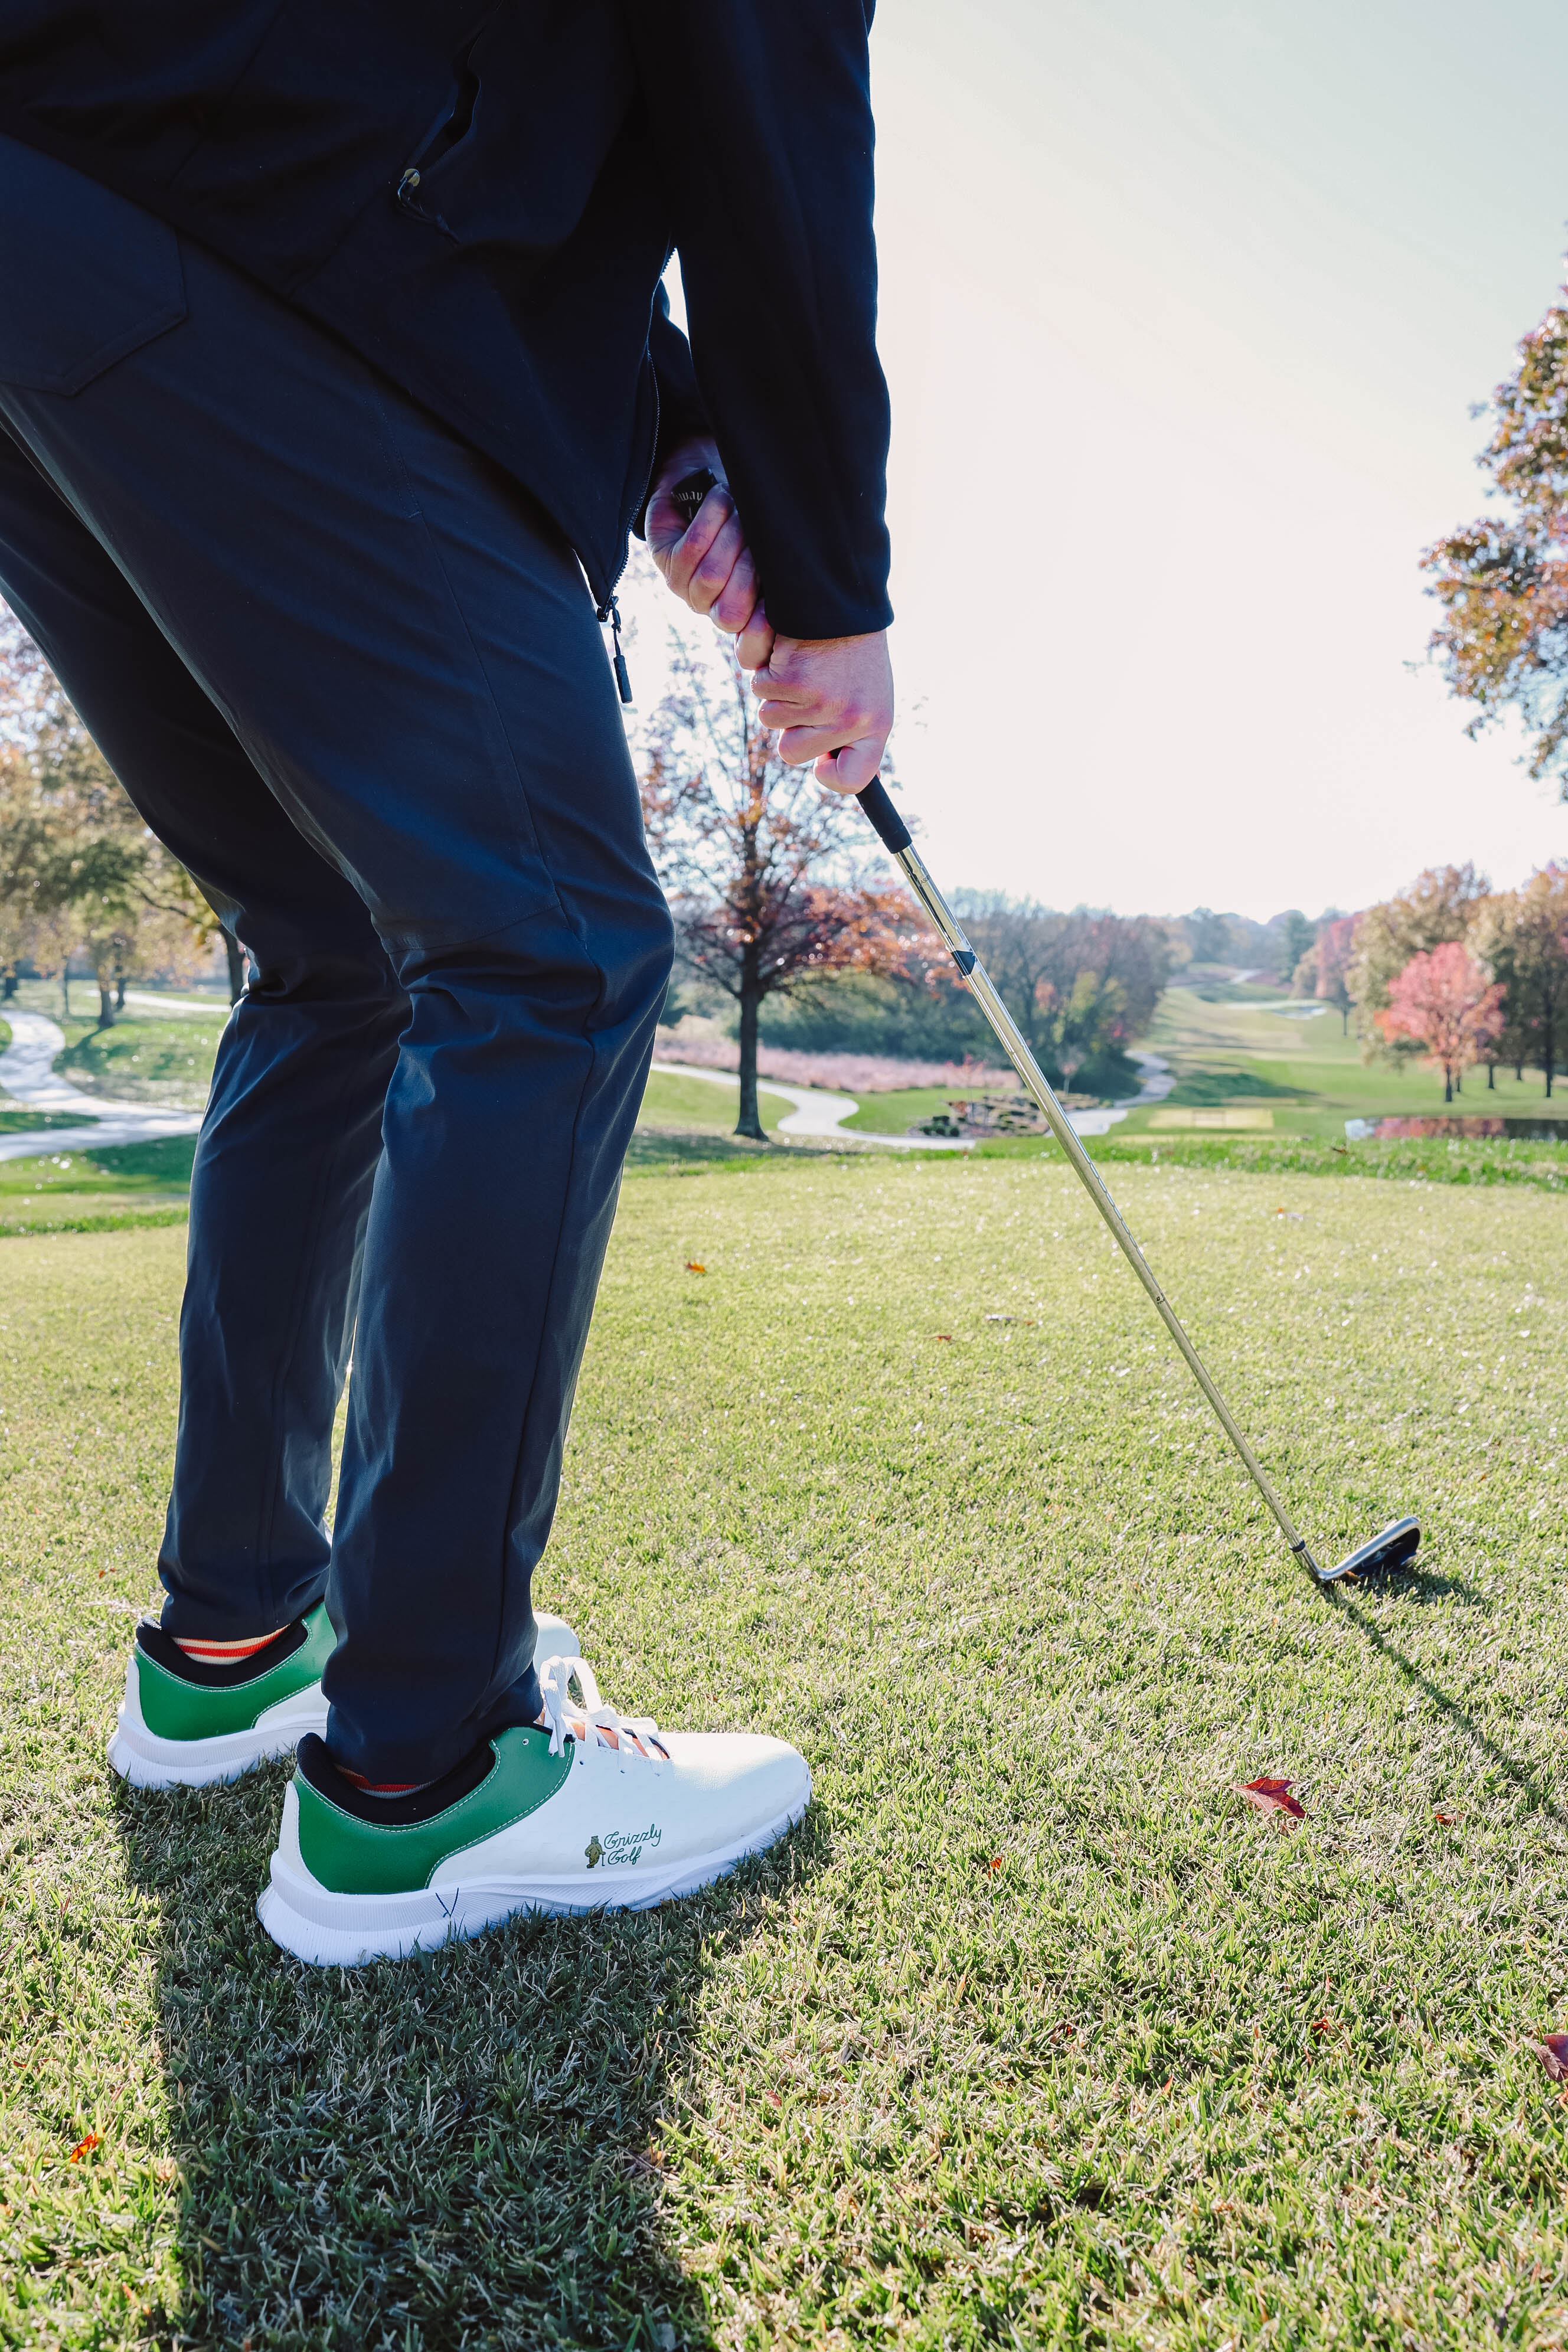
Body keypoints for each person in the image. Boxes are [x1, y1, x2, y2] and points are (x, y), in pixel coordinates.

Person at [0, 3, 894, 1962]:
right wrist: (834, 579)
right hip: (278, 247)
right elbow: (770, 121)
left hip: (76, 211)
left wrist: (675, 443)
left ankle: (235, 1644)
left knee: (334, 956)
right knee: (551, 946)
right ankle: (423, 1767)